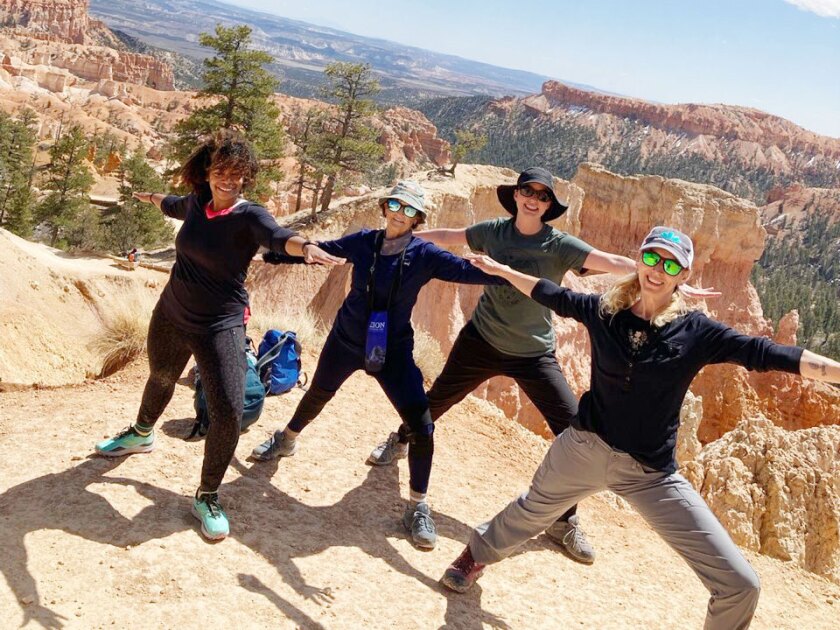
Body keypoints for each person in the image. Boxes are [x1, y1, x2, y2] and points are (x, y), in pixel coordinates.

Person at [439, 226, 840, 629]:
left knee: (741, 584)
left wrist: (835, 372)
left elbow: (766, 352)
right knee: (531, 513)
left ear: (683, 276)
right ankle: (477, 553)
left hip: (651, 474)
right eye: (652, 257)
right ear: (639, 260)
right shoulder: (605, 313)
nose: (658, 269)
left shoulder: (697, 333)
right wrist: (502, 270)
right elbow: (551, 294)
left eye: (671, 264)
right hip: (585, 448)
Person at [365, 167, 719, 563]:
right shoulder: (494, 232)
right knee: (436, 401)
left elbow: (613, 261)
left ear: (550, 205)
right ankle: (401, 439)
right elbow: (451, 237)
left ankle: (563, 521)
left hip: (534, 353)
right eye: (527, 191)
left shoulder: (560, 244)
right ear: (515, 195)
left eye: (543, 195)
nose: (534, 199)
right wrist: (401, 238)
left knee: (573, 433)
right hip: (481, 339)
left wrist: (666, 278)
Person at [94, 130, 343, 541]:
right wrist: (149, 198)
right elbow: (170, 205)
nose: (228, 180)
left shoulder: (250, 216)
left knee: (227, 408)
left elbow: (277, 235)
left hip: (220, 326)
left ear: (247, 177)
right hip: (172, 313)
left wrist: (305, 246)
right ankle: (140, 434)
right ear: (207, 173)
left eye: (238, 174)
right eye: (221, 171)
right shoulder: (195, 203)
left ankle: (207, 494)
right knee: (160, 377)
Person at [251, 180, 507, 549]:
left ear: (418, 217)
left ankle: (417, 506)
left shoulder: (425, 255)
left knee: (421, 425)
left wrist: (514, 274)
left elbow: (470, 273)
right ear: (385, 207)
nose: (401, 214)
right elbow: (321, 252)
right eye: (396, 206)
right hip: (345, 341)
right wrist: (269, 256)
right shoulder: (364, 241)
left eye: (409, 210)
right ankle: (286, 439)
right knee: (319, 394)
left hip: (393, 351)